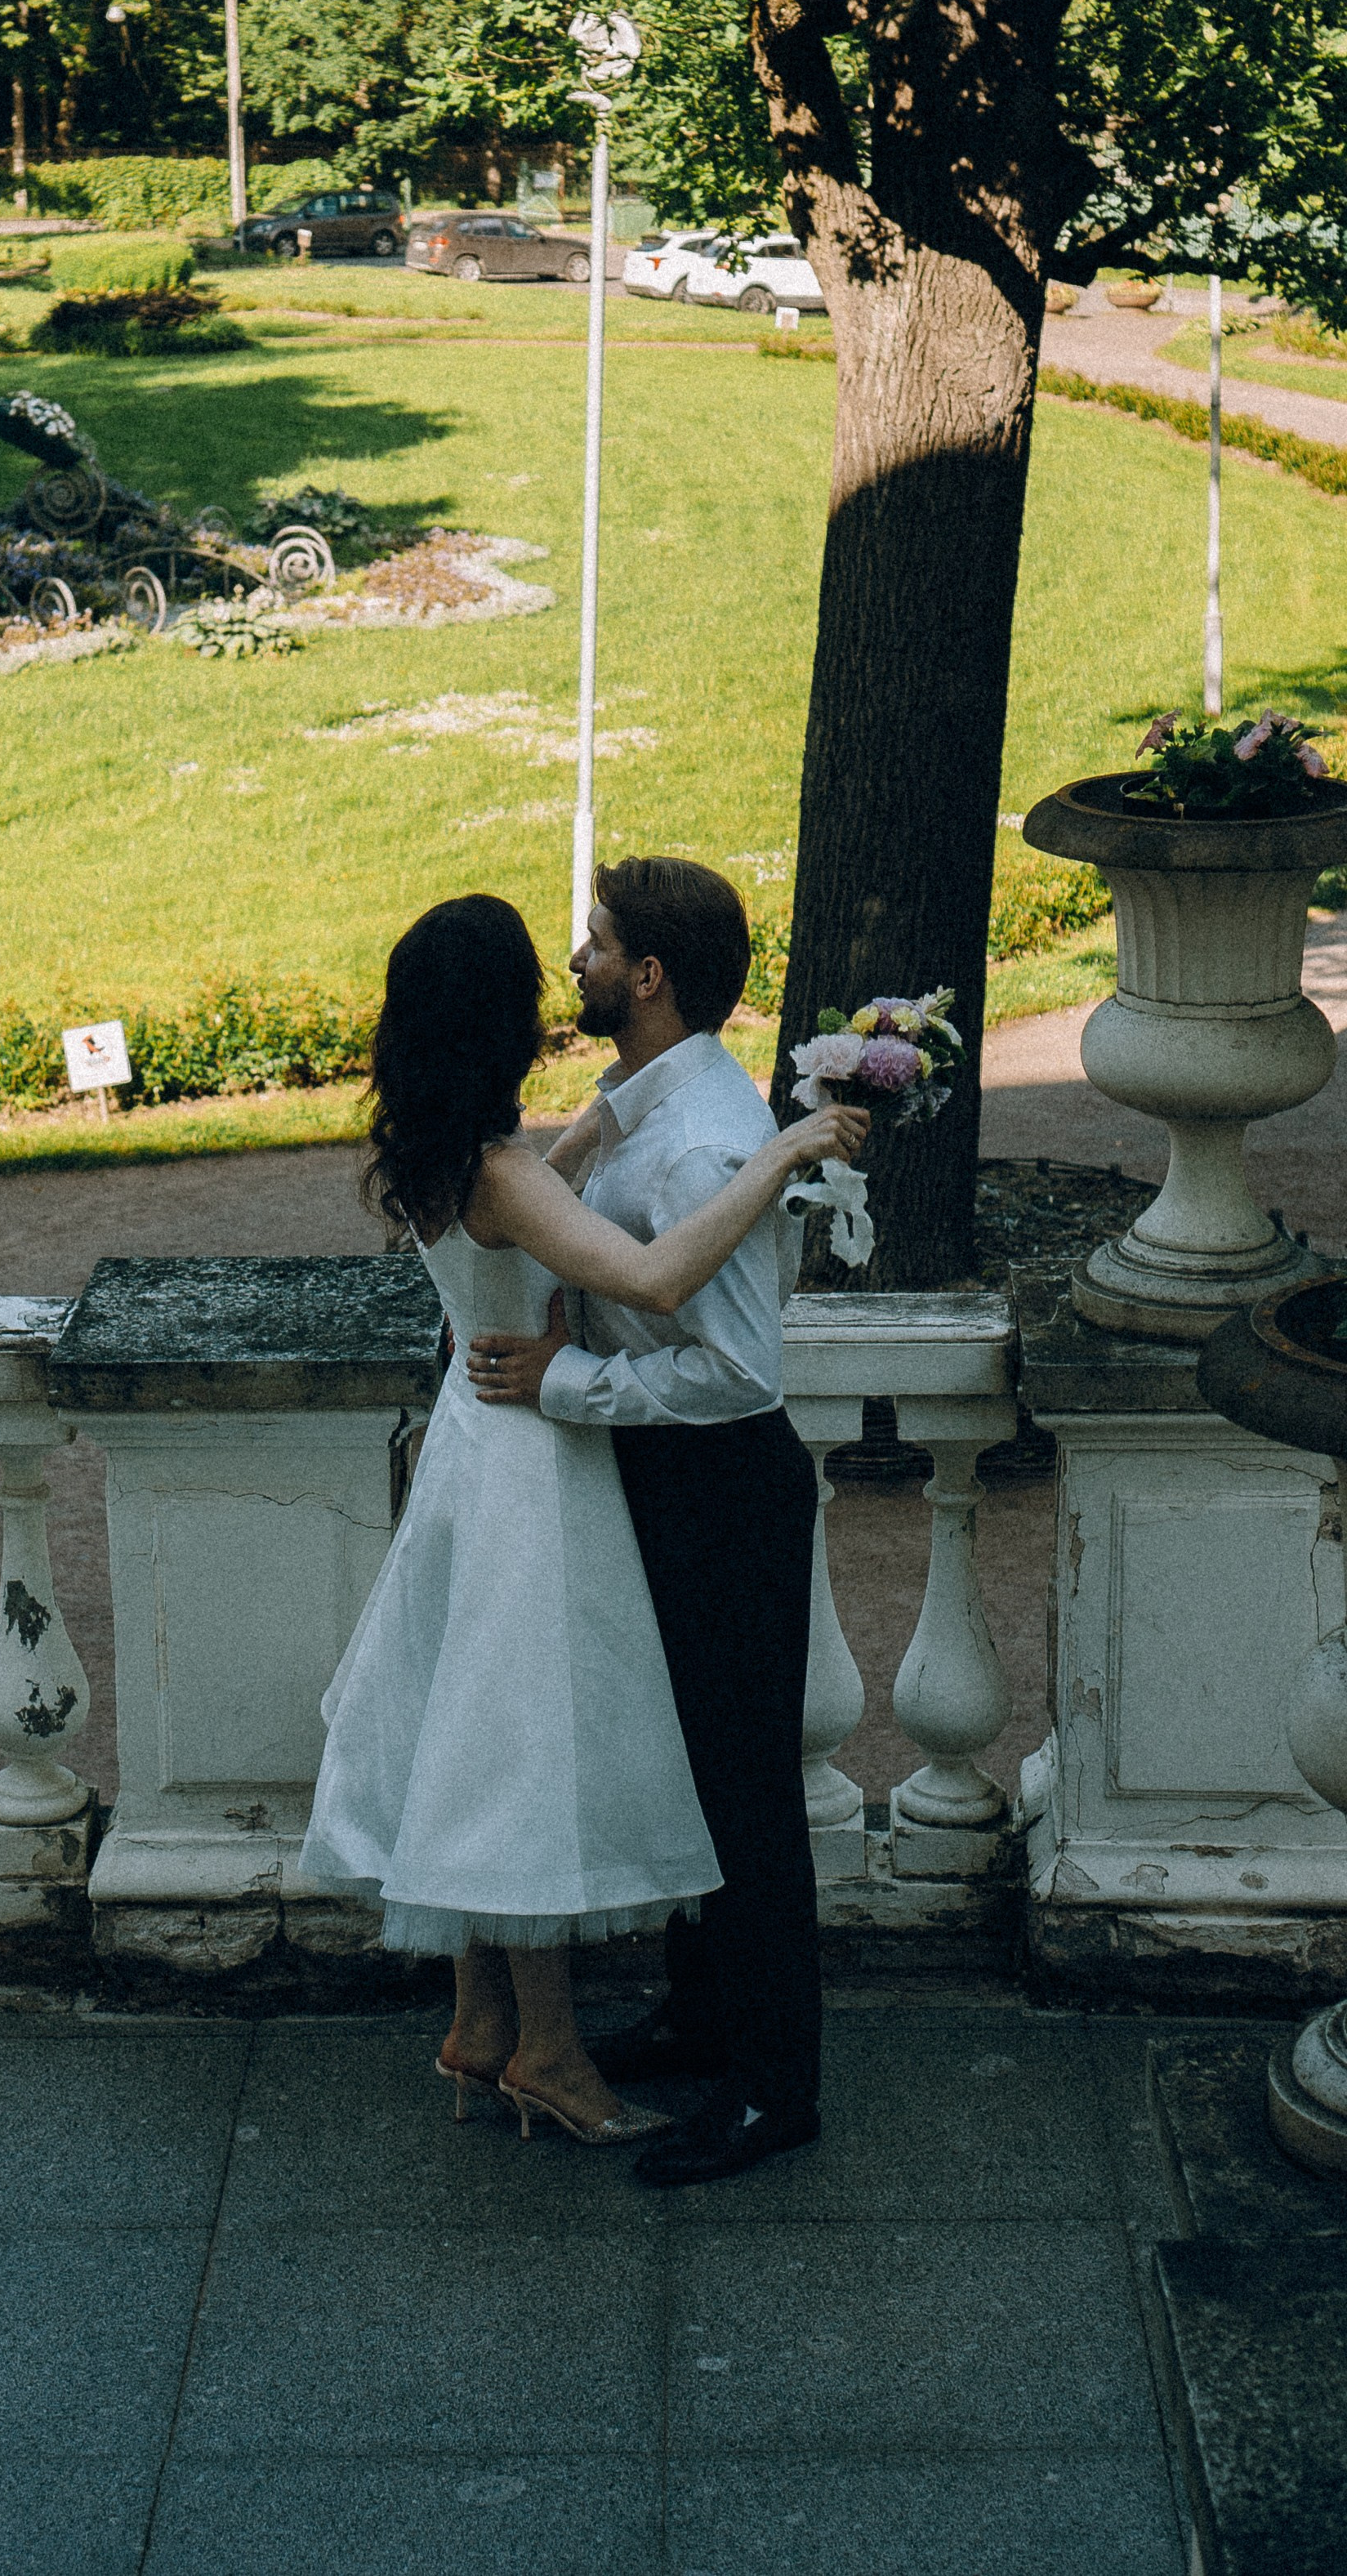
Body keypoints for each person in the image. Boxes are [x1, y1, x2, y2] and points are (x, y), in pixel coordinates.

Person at [297, 892, 866, 2149]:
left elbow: (524, 1233)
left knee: (489, 1734)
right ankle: (561, 2049)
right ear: (500, 1023)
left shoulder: (449, 1156)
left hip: (488, 1450)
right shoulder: (509, 1173)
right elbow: (653, 1278)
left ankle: (498, 2027)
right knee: (530, 1747)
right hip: (539, 1462)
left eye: (596, 942)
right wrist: (780, 1157)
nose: (573, 964)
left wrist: (609, 1114)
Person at [466, 855, 840, 2185]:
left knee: (744, 1795)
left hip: (720, 1488)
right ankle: (702, 2016)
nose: (577, 960)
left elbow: (739, 1372)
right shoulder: (642, 1104)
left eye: (596, 943)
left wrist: (564, 1383)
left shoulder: (696, 1145)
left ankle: (775, 2090)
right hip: (672, 1481)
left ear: (650, 976)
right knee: (688, 1770)